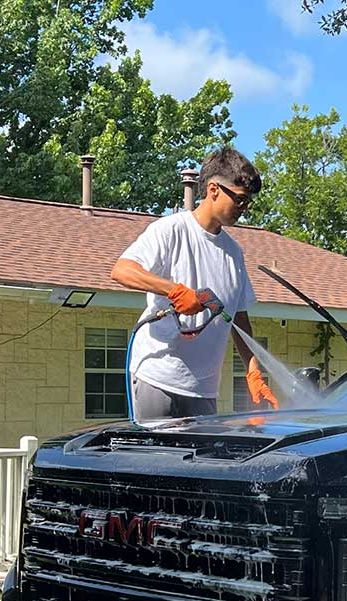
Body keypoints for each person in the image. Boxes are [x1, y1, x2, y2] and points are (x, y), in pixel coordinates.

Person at [111, 146, 261, 420]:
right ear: (214, 189)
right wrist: (174, 290)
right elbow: (122, 270)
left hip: (204, 391)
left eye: (248, 202)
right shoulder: (171, 230)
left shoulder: (234, 252)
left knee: (200, 463)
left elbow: (238, 318)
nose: (244, 208)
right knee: (154, 462)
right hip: (159, 378)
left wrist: (253, 370)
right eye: (240, 200)